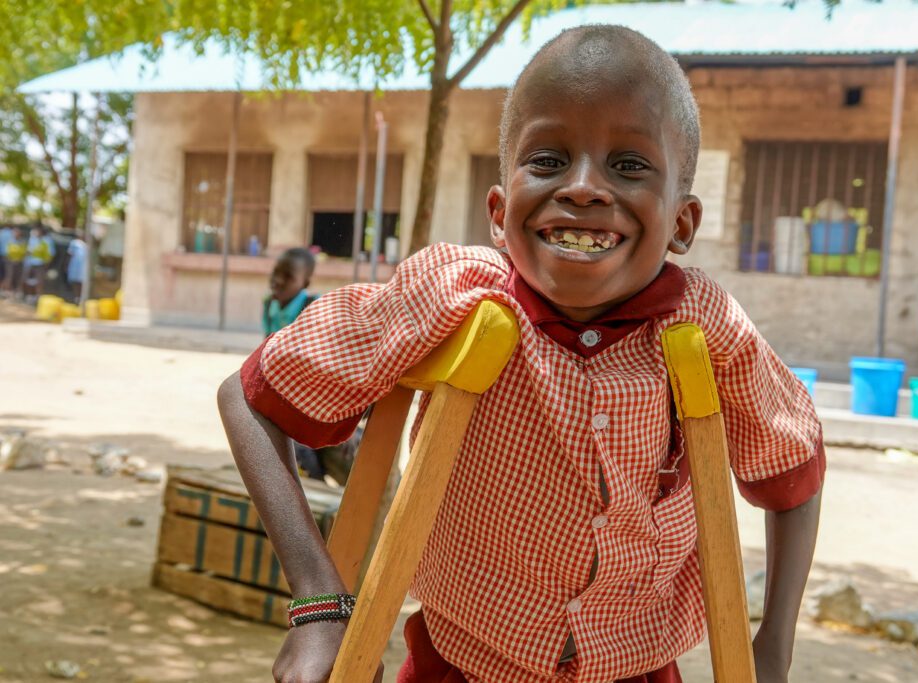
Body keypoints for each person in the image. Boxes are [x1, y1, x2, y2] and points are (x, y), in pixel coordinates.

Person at [219, 26, 823, 683]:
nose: (585, 187)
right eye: (549, 159)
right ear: (500, 211)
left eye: (628, 164)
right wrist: (319, 602)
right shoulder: (453, 292)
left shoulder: (707, 325)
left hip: (638, 667)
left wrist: (773, 642)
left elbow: (794, 456)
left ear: (682, 222)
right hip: (461, 662)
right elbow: (250, 398)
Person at [263, 247, 318, 338]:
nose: (278, 280)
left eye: (288, 276)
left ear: (305, 284)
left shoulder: (312, 307)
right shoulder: (269, 304)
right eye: (276, 272)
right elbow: (266, 345)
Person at [23, 225, 55, 300]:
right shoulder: (33, 239)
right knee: (29, 280)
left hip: (41, 264)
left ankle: (38, 297)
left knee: (39, 281)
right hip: (31, 263)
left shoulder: (47, 241)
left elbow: (50, 254)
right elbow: (28, 251)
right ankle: (30, 295)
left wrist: (46, 265)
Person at [65, 231, 88, 303]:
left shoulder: (87, 244)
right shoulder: (74, 243)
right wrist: (66, 264)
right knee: (75, 281)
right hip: (75, 265)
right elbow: (69, 254)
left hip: (83, 266)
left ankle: (81, 297)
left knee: (82, 281)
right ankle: (77, 297)